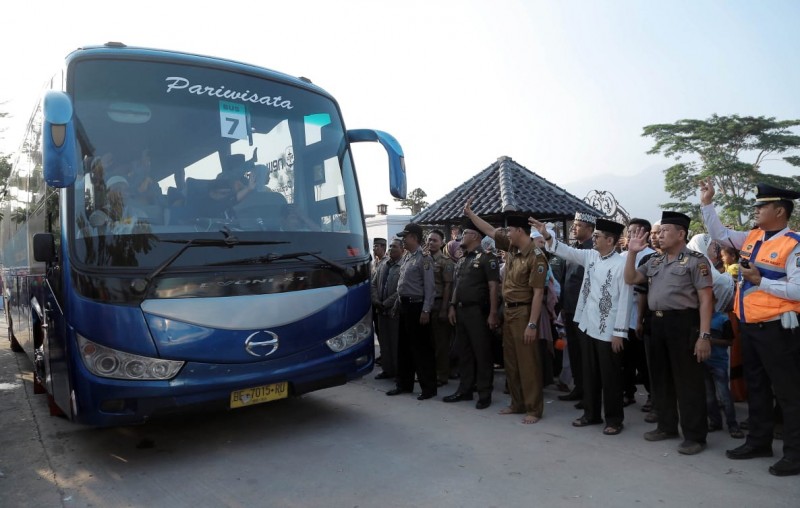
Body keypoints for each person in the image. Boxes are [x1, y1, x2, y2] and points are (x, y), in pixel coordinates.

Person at [699, 179, 800, 476]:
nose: (755, 210)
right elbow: (719, 234)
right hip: (751, 327)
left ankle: (795, 454)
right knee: (756, 387)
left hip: (779, 330)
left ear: (779, 211)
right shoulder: (753, 237)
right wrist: (707, 203)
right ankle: (758, 441)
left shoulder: (793, 244)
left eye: (761, 206)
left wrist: (760, 281)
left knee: (788, 393)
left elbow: (798, 290)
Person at [624, 211, 713, 456]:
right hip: (657, 324)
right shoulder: (654, 260)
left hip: (683, 324)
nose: (659, 235)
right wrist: (631, 253)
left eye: (665, 231)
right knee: (660, 379)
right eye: (659, 231)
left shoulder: (696, 261)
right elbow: (631, 278)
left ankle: (695, 436)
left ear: (681, 234)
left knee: (688, 382)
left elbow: (706, 300)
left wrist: (704, 336)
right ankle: (666, 426)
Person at [534, 217, 632, 436]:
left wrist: (619, 333)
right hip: (588, 325)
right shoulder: (591, 256)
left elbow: (625, 300)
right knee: (589, 374)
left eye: (597, 236)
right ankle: (591, 414)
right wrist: (547, 235)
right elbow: (567, 251)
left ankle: (614, 420)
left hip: (609, 330)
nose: (594, 239)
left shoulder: (622, 264)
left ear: (610, 240)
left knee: (610, 377)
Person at [465, 201, 548, 424]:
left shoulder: (536, 257)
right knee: (511, 361)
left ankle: (534, 408)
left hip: (524, 312)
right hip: (508, 312)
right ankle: (517, 403)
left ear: (520, 231)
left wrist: (532, 324)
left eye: (510, 230)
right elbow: (490, 231)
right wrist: (471, 214)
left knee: (528, 363)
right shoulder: (512, 247)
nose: (507, 234)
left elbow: (538, 294)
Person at [444, 219, 499, 409]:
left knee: (482, 353)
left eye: (465, 233)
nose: (461, 237)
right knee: (464, 352)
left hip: (478, 311)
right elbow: (457, 285)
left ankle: (484, 393)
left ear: (475, 236)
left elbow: (493, 287)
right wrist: (452, 306)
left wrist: (493, 313)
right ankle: (465, 390)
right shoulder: (463, 259)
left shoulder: (487, 258)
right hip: (461, 310)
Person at [387, 223, 437, 400]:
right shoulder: (407, 257)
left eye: (405, 237)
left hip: (417, 307)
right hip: (404, 306)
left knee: (421, 349)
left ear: (414, 238)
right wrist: (397, 305)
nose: (403, 240)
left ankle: (428, 388)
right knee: (404, 348)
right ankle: (404, 384)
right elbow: (402, 285)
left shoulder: (424, 258)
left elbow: (430, 287)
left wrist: (426, 310)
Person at [557, 212, 597, 407]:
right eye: (574, 224)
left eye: (578, 225)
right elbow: (566, 280)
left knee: (586, 354)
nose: (574, 228)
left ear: (589, 229)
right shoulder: (573, 250)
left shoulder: (593, 252)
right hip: (570, 309)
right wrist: (563, 306)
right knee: (574, 352)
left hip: (586, 312)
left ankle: (590, 393)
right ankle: (579, 388)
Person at [620, 219, 656, 413]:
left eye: (636, 231)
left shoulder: (651, 256)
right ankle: (628, 392)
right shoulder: (623, 256)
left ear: (646, 233)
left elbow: (643, 288)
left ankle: (652, 394)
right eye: (630, 231)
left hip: (642, 312)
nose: (632, 235)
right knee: (625, 358)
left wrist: (640, 318)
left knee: (643, 359)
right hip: (624, 313)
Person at [426, 229, 456, 387]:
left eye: (435, 240)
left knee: (441, 343)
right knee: (428, 342)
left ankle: (442, 375)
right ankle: (430, 372)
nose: (431, 243)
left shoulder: (446, 262)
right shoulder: (424, 259)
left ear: (442, 243)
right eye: (429, 240)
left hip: (439, 303)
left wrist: (444, 309)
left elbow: (448, 286)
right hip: (426, 304)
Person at [371, 238, 403, 380]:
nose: (391, 249)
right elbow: (373, 284)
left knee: (396, 343)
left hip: (394, 311)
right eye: (390, 246)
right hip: (380, 310)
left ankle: (398, 372)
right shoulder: (383, 265)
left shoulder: (403, 266)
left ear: (402, 249)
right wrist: (376, 301)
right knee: (384, 342)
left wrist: (386, 303)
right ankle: (387, 369)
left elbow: (401, 290)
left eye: (394, 246)